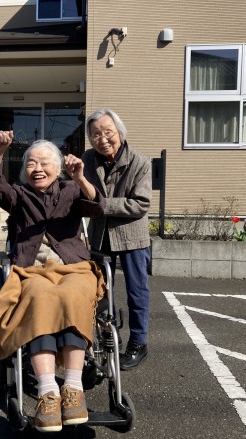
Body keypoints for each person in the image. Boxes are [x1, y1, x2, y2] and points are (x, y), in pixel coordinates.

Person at [0, 131, 106, 432]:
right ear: (25, 170)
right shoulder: (19, 195)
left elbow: (98, 205)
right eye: (31, 163)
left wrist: (80, 177)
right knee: (39, 297)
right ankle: (48, 392)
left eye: (45, 162)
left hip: (73, 267)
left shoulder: (71, 190)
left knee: (73, 294)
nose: (37, 168)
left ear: (58, 168)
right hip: (33, 270)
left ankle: (73, 389)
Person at [81, 108, 152, 371]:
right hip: (100, 234)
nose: (102, 139)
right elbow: (80, 192)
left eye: (107, 132)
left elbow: (140, 204)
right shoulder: (87, 159)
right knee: (99, 290)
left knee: (137, 291)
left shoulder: (140, 162)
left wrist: (102, 205)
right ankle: (107, 336)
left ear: (119, 132)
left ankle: (138, 343)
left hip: (132, 235)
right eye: (95, 134)